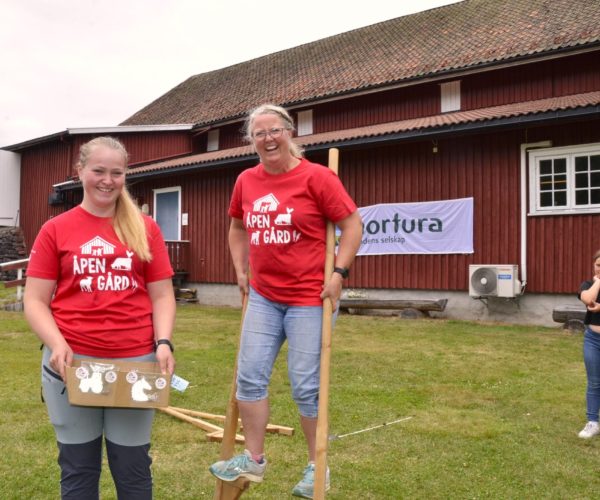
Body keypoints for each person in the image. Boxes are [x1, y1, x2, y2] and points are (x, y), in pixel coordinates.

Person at [209, 104, 363, 498]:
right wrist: (241, 270)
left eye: (274, 130)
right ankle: (254, 459)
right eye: (259, 134)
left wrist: (338, 274)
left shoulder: (318, 178)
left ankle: (317, 467)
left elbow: (351, 224)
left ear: (290, 132)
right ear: (252, 141)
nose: (267, 139)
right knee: (249, 377)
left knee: (306, 386)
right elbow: (237, 227)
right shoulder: (246, 180)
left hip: (310, 297)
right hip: (263, 295)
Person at [24, 136, 176, 499]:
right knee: (78, 468)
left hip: (136, 364)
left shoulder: (144, 227)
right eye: (98, 171)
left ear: (125, 176)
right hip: (71, 365)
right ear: (80, 172)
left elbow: (162, 294)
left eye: (117, 173)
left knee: (133, 468)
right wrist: (57, 343)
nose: (107, 180)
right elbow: (35, 300)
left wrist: (164, 341)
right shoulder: (55, 229)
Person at [578, 249, 600, 439]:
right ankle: (593, 422)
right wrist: (599, 281)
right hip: (593, 340)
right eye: (599, 265)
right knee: (594, 382)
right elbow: (588, 298)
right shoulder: (587, 284)